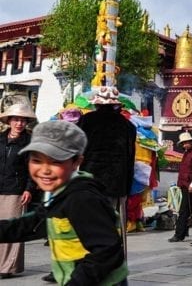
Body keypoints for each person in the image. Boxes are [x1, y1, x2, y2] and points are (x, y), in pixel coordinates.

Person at [0, 120, 128, 285]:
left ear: (76, 162)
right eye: (37, 161)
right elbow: (29, 225)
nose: (45, 170)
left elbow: (107, 250)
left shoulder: (82, 198)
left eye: (56, 161)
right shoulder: (58, 194)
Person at [77, 86, 136, 250]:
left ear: (96, 104)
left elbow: (77, 150)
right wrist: (127, 188)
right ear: (116, 105)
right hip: (116, 184)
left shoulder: (86, 121)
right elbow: (130, 159)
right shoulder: (128, 126)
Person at [0, 103, 36, 279]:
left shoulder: (29, 142)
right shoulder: (0, 139)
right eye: (16, 119)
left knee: (12, 229)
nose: (19, 123)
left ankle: (8, 267)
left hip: (16, 190)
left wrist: (29, 189)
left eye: (23, 120)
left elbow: (32, 168)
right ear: (9, 121)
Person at [168, 132, 192, 242]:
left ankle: (179, 234)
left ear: (191, 142)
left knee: (184, 211)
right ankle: (185, 231)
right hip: (184, 185)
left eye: (187, 142)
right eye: (183, 143)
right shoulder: (187, 153)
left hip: (190, 185)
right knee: (190, 211)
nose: (185, 145)